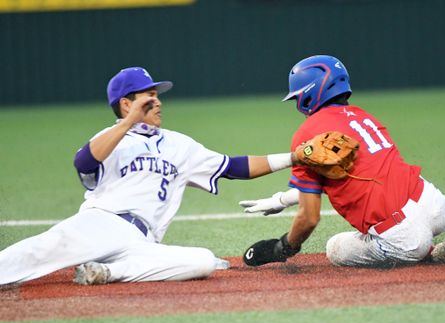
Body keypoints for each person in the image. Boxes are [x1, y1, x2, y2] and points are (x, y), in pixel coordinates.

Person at [0, 67, 298, 285]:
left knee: (202, 261)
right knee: (38, 250)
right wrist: (128, 123)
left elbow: (234, 167)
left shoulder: (179, 144)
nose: (158, 102)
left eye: (157, 96)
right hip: (101, 223)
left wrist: (294, 157)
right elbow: (84, 162)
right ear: (126, 104)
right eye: (149, 96)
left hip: (141, 242)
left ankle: (105, 272)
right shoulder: (111, 138)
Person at [240, 55, 445, 267]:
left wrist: (283, 248)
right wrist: (282, 198)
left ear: (309, 93)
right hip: (428, 200)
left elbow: (310, 217)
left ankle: (431, 253)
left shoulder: (308, 132)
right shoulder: (362, 116)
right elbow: (345, 174)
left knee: (336, 249)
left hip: (401, 237)